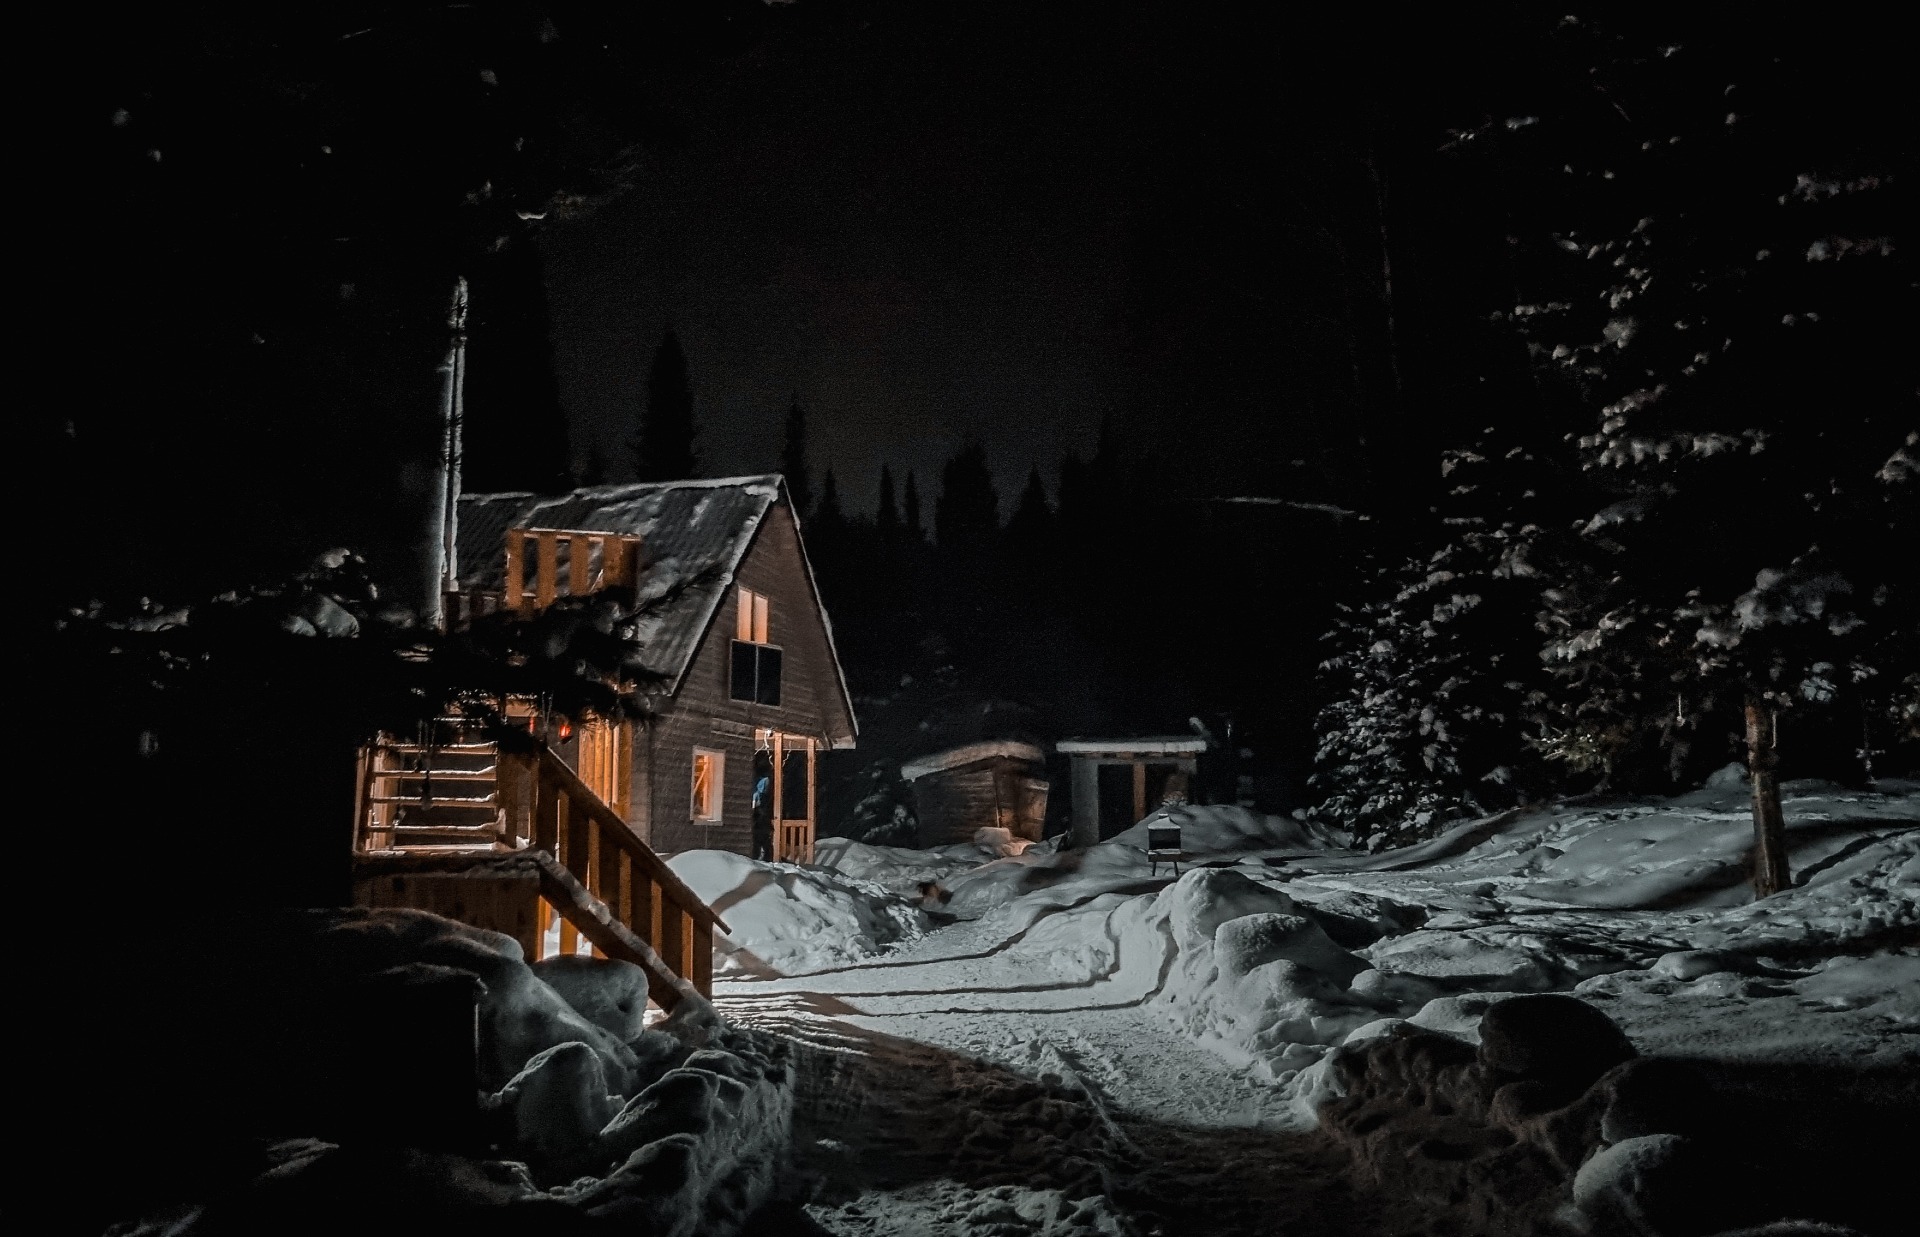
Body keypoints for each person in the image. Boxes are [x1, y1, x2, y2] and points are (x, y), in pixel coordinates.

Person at [751, 772, 774, 861]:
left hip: (760, 821)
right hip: (759, 821)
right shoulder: (758, 792)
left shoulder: (760, 792)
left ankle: (763, 857)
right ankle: (762, 857)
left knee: (763, 843)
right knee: (762, 842)